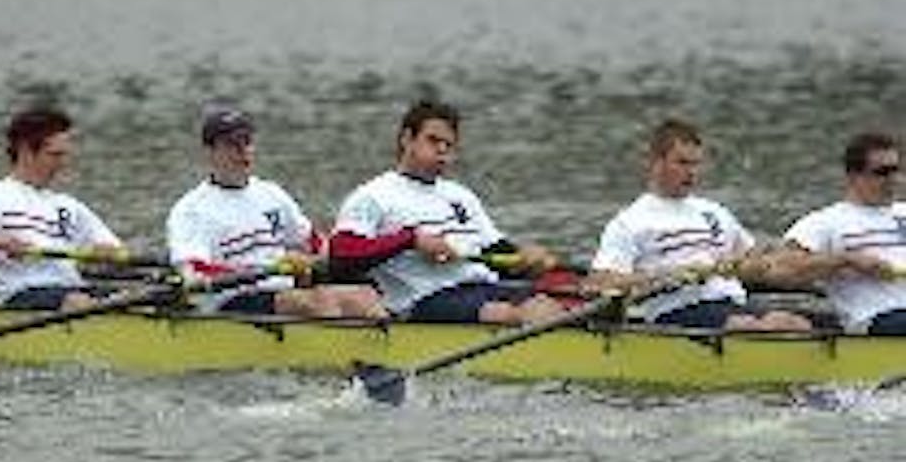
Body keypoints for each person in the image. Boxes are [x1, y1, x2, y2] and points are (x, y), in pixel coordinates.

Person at [329, 99, 563, 324]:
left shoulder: (461, 195)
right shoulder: (373, 196)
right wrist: (411, 240)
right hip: (426, 298)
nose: (442, 150)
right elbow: (341, 255)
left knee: (548, 304)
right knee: (508, 314)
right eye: (433, 140)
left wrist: (527, 259)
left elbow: (494, 250)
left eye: (449, 145)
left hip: (482, 287)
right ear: (407, 139)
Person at [166, 99, 385, 318]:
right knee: (320, 301)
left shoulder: (271, 194)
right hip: (230, 299)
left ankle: (387, 347)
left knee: (364, 296)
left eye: (247, 142)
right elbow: (194, 271)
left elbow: (315, 243)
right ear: (209, 152)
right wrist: (264, 270)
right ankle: (336, 349)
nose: (242, 151)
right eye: (232, 144)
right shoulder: (191, 210)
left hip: (280, 291)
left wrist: (318, 261)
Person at [590, 118, 808, 330]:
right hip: (677, 311)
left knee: (798, 323)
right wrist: (668, 274)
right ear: (656, 162)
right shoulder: (630, 222)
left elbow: (756, 263)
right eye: (682, 163)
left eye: (696, 164)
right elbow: (600, 283)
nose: (692, 172)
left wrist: (752, 265)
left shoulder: (714, 211)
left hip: (732, 304)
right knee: (758, 327)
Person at [0, 101, 123, 310]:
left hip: (73, 290)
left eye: (65, 155)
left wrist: (107, 254)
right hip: (22, 295)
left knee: (140, 298)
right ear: (25, 150)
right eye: (55, 155)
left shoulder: (71, 207)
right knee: (79, 302)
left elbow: (116, 252)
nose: (63, 164)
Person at [777, 132, 905, 334]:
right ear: (854, 176)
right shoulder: (827, 221)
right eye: (883, 172)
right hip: (876, 317)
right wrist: (846, 260)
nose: (893, 179)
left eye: (896, 170)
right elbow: (781, 268)